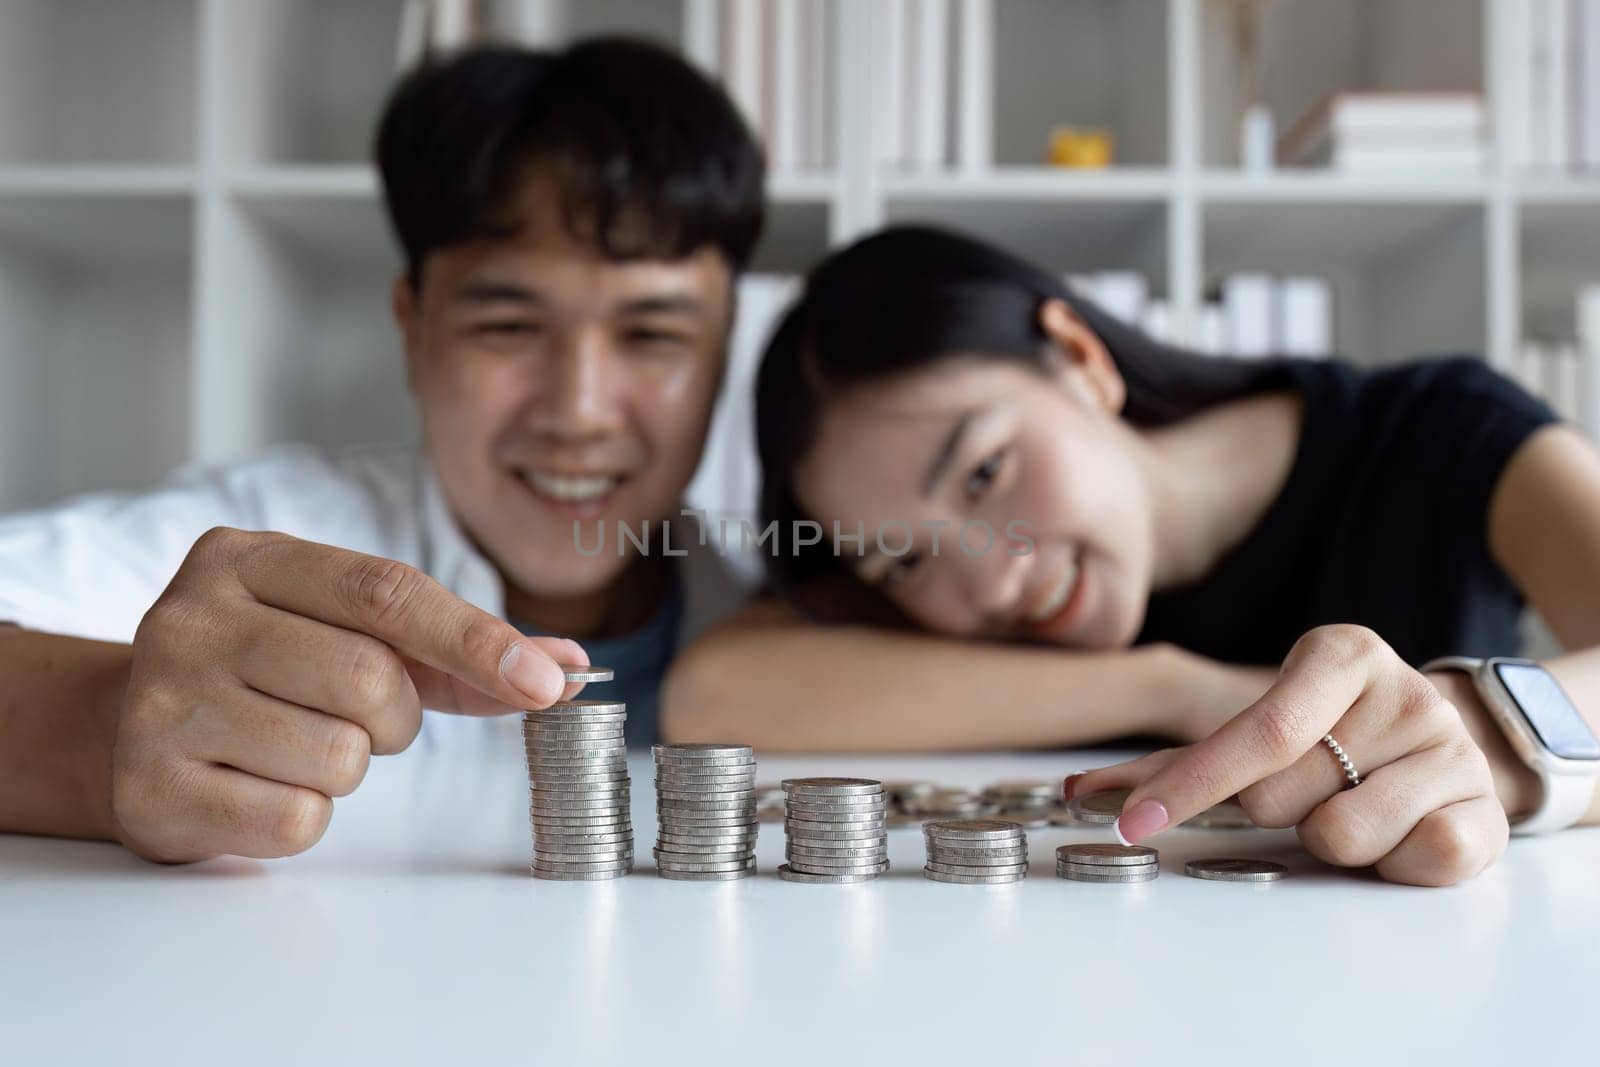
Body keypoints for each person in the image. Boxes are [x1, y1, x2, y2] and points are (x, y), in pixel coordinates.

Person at [0, 39, 763, 863]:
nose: (577, 411)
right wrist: (95, 729)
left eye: (653, 333)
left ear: (723, 356)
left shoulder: (795, 600)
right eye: (508, 326)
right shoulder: (267, 530)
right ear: (413, 326)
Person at [663, 226, 1600, 886]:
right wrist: (1175, 687)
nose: (990, 580)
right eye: (903, 562)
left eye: (986, 471)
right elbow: (718, 691)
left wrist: (1487, 735)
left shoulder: (1449, 429)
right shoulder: (972, 611)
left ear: (1080, 355)